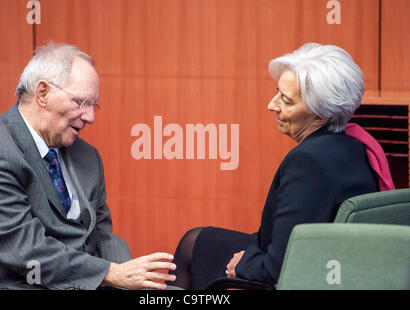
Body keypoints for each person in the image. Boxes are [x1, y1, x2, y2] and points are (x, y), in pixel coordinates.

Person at [168, 43, 394, 289]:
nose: (271, 104)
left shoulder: (308, 163)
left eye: (286, 100)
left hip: (299, 277)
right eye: (277, 92)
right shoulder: (356, 144)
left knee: (192, 245)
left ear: (319, 116)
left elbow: (280, 268)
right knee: (198, 239)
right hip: (332, 268)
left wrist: (242, 264)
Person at [0, 43, 176, 290]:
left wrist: (130, 279)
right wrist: (112, 273)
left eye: (93, 105)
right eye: (81, 102)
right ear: (43, 93)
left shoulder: (87, 156)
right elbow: (24, 248)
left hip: (82, 281)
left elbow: (103, 235)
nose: (90, 117)